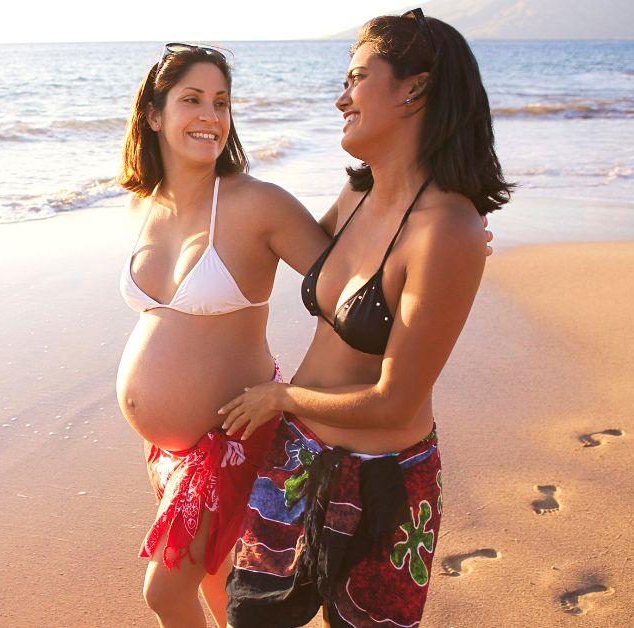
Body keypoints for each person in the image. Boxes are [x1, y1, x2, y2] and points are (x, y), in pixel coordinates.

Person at [216, 9, 513, 628]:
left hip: (384, 488)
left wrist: (279, 397)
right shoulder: (357, 194)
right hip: (297, 457)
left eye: (355, 79)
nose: (339, 98)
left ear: (415, 89)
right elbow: (261, 237)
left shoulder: (446, 230)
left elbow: (395, 404)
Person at [116, 43, 331, 628]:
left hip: (228, 438)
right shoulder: (145, 203)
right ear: (154, 115)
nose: (211, 115)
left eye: (222, 102)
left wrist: (294, 397)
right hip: (166, 447)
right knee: (215, 581)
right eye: (192, 100)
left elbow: (348, 292)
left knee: (164, 592)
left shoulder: (254, 204)